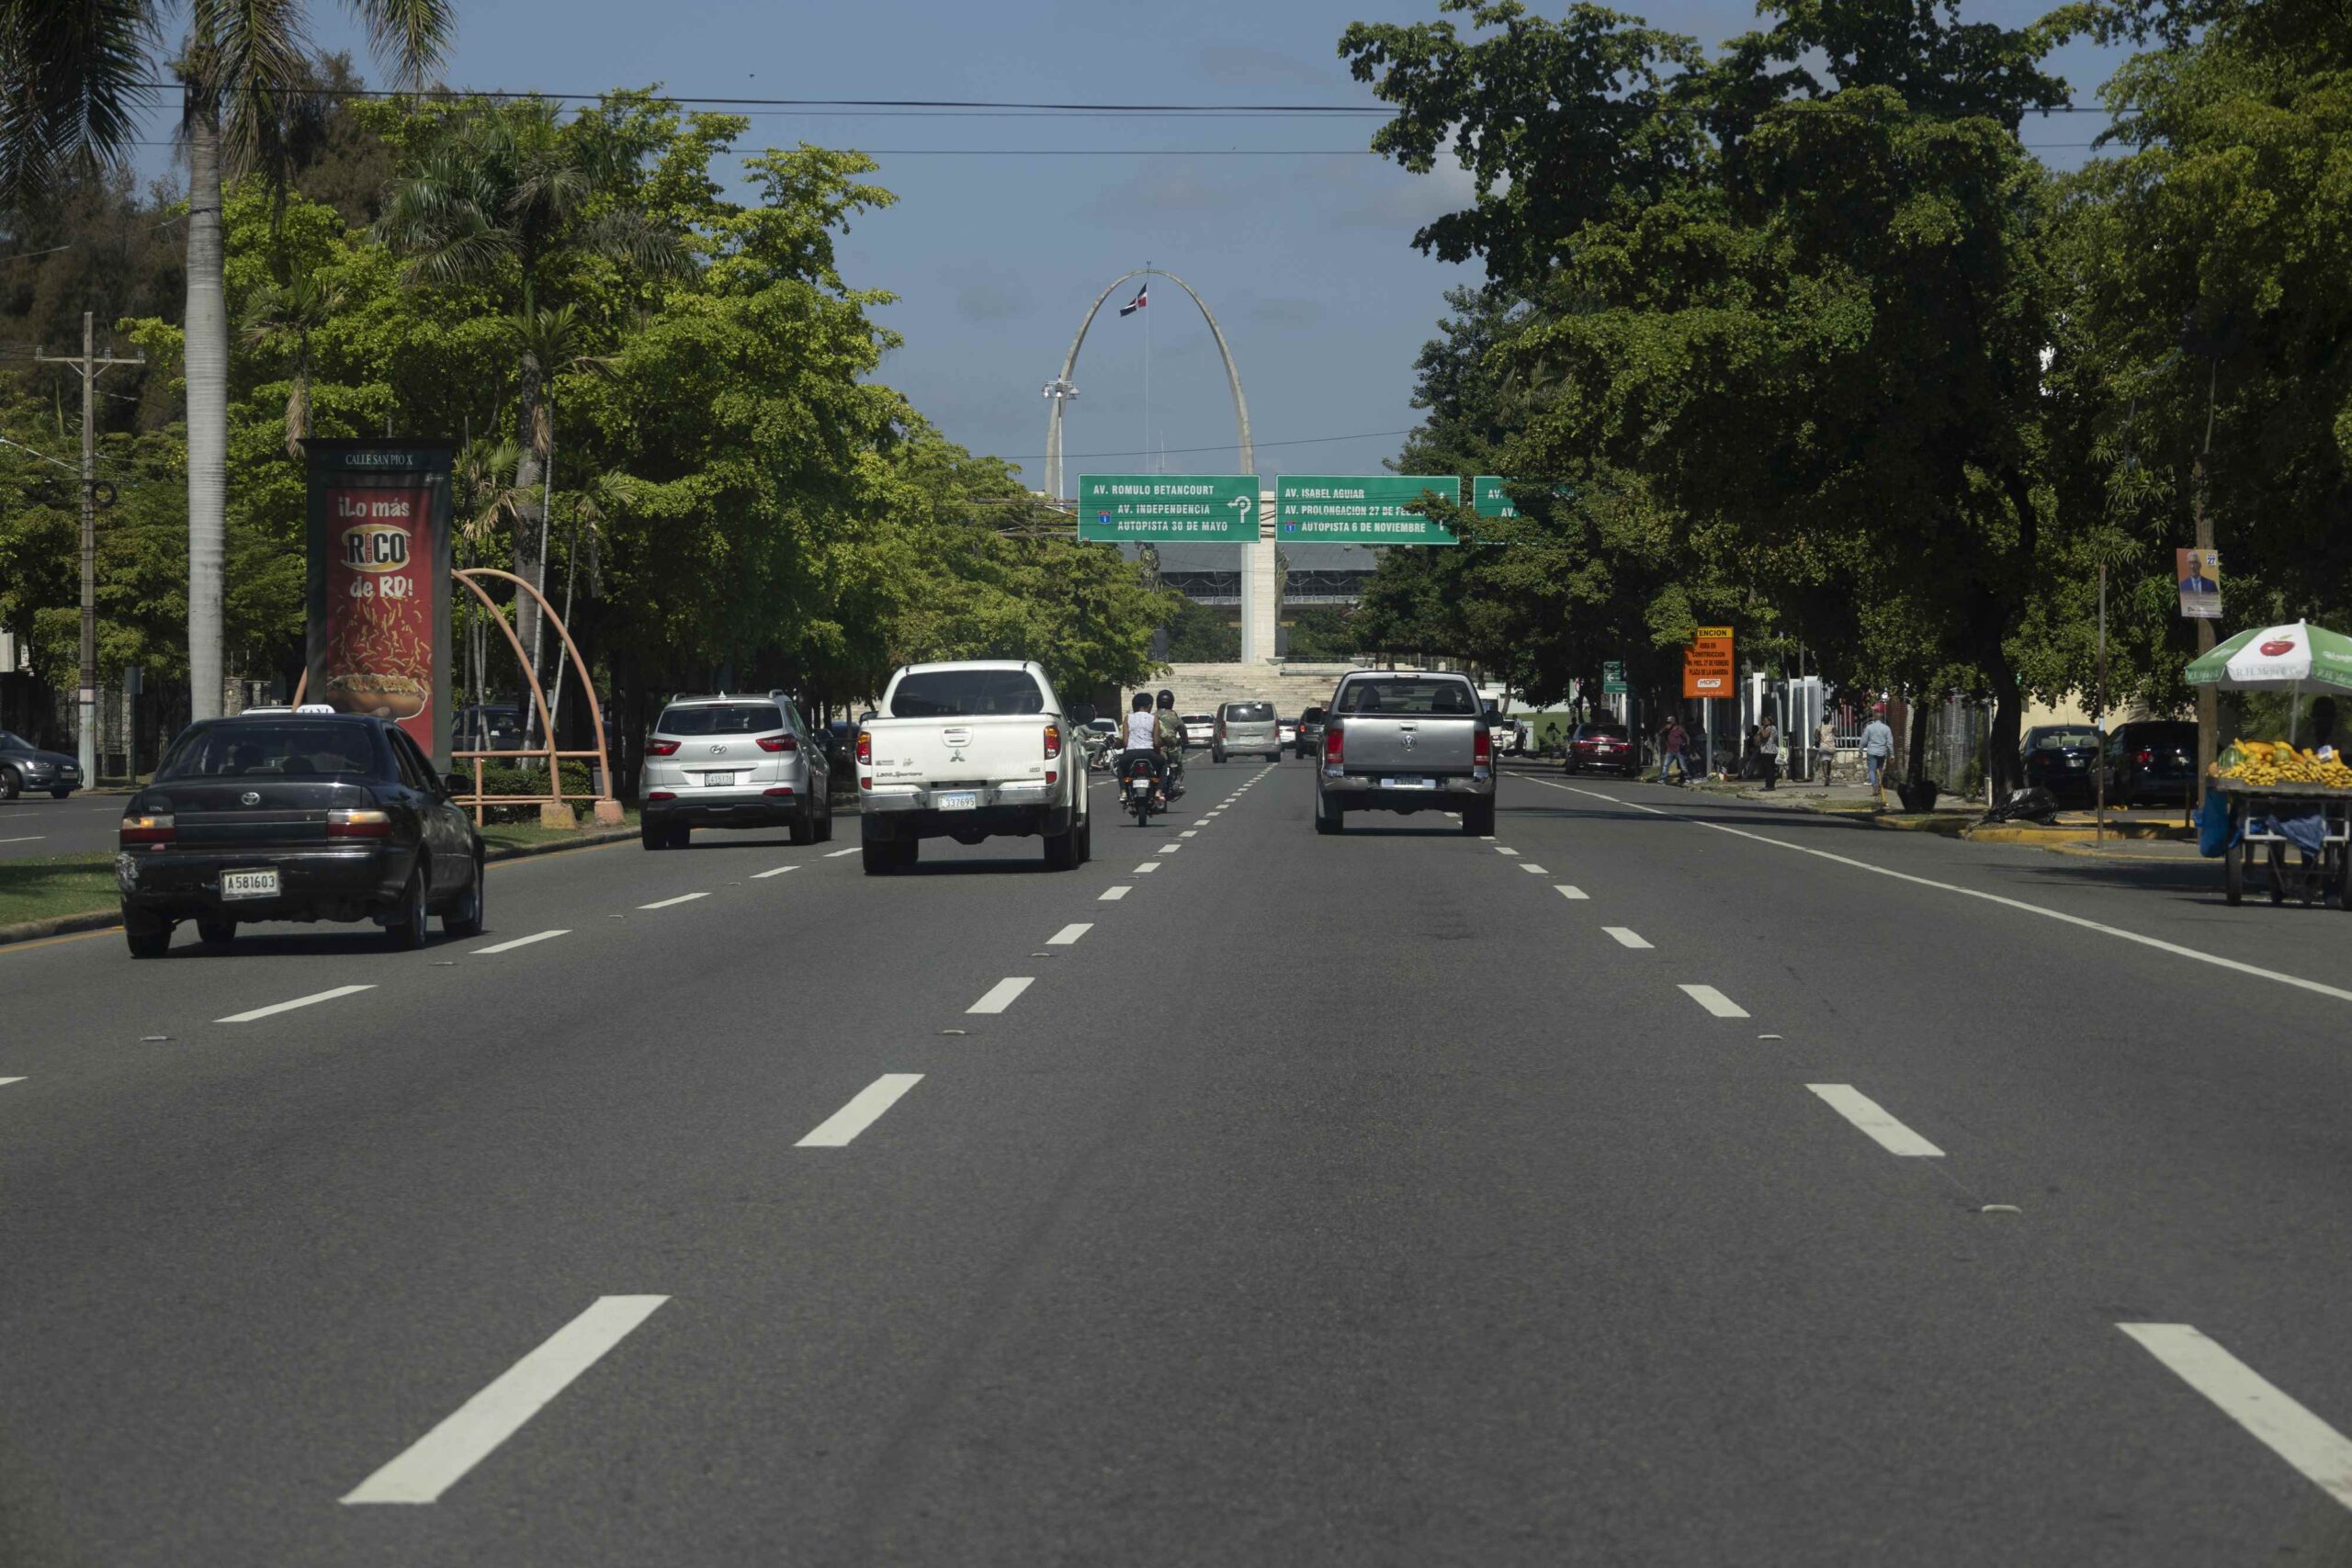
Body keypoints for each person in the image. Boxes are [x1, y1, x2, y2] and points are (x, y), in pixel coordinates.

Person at [1860, 705, 1896, 807]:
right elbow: (1890, 742)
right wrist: (1892, 754)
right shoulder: (1886, 728)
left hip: (1871, 752)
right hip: (1882, 752)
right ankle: (1879, 782)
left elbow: (1864, 740)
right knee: (1879, 769)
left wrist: (1860, 749)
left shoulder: (1869, 727)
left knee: (1872, 770)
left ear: (1874, 718)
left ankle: (1875, 785)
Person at [1154, 689, 1186, 799]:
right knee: (1178, 765)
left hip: (1156, 746)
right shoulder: (1174, 717)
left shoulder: (1153, 716)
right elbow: (1182, 730)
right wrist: (1185, 742)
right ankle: (1177, 781)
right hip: (1172, 747)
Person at [1661, 717, 1690, 784]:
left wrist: (1687, 745)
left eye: (1670, 722)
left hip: (1679, 750)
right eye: (1667, 722)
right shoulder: (1667, 730)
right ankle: (1663, 778)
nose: (1668, 724)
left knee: (1683, 766)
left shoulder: (1680, 729)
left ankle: (1687, 778)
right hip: (1670, 750)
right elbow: (1660, 733)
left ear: (1674, 723)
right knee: (1665, 765)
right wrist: (1665, 728)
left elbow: (1687, 737)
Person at [1757, 715, 1781, 790]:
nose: (1763, 722)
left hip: (1770, 751)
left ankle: (1770, 785)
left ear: (1769, 721)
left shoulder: (1771, 728)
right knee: (1767, 769)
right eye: (1763, 720)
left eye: (1765, 720)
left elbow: (1764, 736)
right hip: (1765, 750)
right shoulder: (1765, 728)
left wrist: (1761, 730)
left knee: (1769, 769)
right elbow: (1758, 739)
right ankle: (1768, 784)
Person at [1815, 717, 1837, 785]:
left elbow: (1815, 736)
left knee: (1824, 762)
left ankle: (1826, 776)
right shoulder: (1832, 727)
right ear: (1829, 720)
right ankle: (1828, 776)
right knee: (1829, 763)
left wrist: (1819, 736)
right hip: (1831, 747)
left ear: (1823, 721)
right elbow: (1837, 734)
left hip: (1823, 746)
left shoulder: (1819, 727)